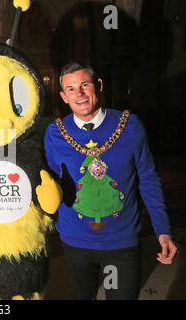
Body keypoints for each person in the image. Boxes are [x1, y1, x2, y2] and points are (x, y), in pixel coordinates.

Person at [44, 62, 178, 300]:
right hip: (75, 241)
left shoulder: (130, 126)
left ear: (99, 85)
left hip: (121, 241)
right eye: (72, 89)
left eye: (85, 85)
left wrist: (163, 230)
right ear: (64, 97)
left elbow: (147, 178)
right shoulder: (55, 134)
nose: (80, 94)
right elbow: (51, 184)